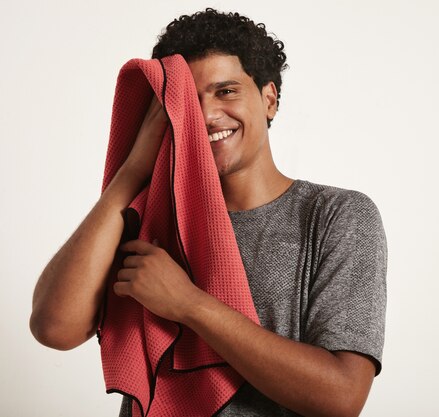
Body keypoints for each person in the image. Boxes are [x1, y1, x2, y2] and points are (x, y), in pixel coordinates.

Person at [30, 8, 387, 417]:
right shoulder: (150, 218)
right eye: (189, 101)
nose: (206, 115)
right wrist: (131, 172)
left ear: (268, 98)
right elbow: (53, 327)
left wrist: (188, 305)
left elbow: (340, 397)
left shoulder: (335, 216)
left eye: (226, 91)